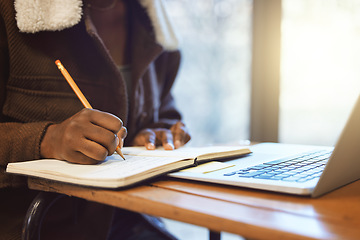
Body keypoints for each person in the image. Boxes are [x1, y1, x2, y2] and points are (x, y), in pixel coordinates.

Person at [0, 0, 191, 239]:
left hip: (132, 218)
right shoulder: (12, 11)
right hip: (38, 226)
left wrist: (153, 132)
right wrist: (47, 139)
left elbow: (164, 111)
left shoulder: (153, 21)